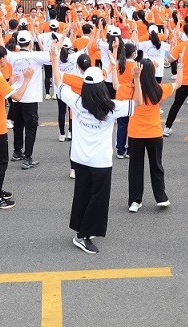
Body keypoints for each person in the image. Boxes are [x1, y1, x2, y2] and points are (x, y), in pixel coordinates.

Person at [52, 44, 139, 254]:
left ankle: (81, 231)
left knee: (82, 194)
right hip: (100, 161)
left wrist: (54, 58)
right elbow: (137, 102)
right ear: (102, 86)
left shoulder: (77, 102)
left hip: (79, 158)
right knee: (98, 199)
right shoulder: (111, 107)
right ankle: (82, 236)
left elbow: (58, 82)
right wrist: (136, 78)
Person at [0, 45, 34, 209]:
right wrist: (27, 79)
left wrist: (10, 82)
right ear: (2, 59)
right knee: (1, 160)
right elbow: (17, 97)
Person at [124, 58, 177, 212]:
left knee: (135, 168)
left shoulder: (129, 89)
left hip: (135, 134)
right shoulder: (159, 89)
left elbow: (115, 87)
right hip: (154, 134)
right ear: (153, 73)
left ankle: (135, 200)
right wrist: (179, 67)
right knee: (156, 165)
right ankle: (161, 197)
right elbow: (178, 83)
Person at [6, 30, 50, 168]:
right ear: (30, 43)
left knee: (18, 126)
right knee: (31, 128)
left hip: (16, 96)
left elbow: (3, 49)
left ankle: (17, 151)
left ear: (18, 43)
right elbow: (53, 54)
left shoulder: (13, 56)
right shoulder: (36, 56)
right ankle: (28, 158)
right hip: (30, 98)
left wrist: (1, 34)